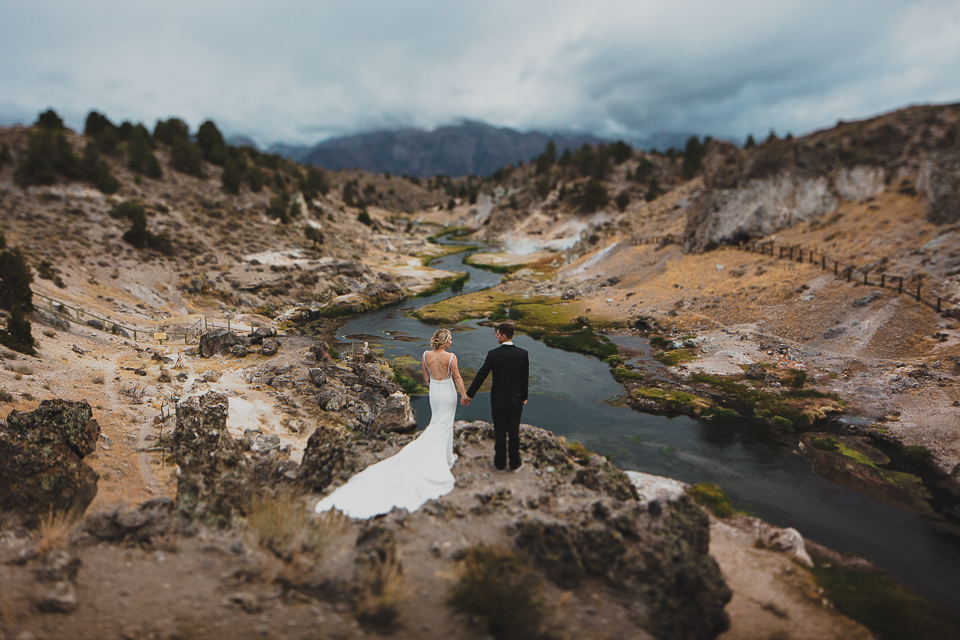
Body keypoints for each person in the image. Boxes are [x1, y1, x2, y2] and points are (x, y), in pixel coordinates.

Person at [314, 328, 468, 519]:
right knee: (444, 423)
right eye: (450, 339)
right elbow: (458, 378)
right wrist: (464, 395)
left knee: (437, 421)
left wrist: (433, 387)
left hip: (434, 393)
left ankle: (446, 456)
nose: (451, 342)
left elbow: (426, 377)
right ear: (444, 342)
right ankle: (444, 458)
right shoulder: (451, 357)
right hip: (448, 392)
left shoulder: (426, 355)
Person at [463, 323, 529, 471]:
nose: (496, 337)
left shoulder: (493, 354)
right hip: (515, 401)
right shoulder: (523, 354)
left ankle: (499, 464)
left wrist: (469, 395)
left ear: (503, 336)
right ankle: (515, 463)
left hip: (498, 401)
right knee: (514, 433)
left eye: (497, 334)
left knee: (499, 432)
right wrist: (524, 397)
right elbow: (524, 379)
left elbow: (481, 375)